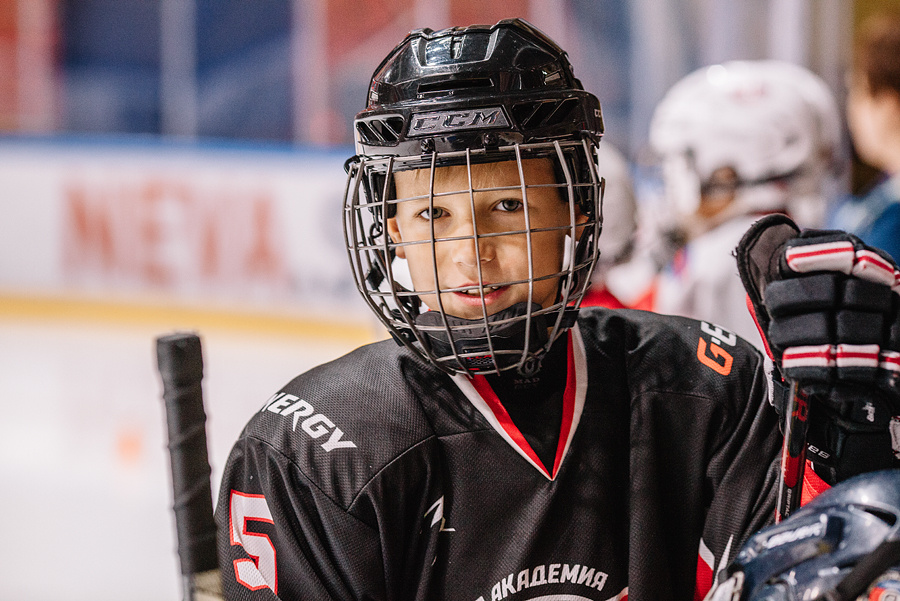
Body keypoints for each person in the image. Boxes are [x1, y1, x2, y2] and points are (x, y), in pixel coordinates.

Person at [214, 19, 900, 601]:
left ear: (577, 209)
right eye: (432, 213)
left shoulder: (703, 388)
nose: (469, 252)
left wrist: (851, 455)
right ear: (390, 230)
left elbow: (814, 569)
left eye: (507, 206)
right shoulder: (312, 455)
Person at [642, 59, 843, 350]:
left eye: (680, 164)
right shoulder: (796, 243)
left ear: (727, 172)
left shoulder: (720, 261)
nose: (669, 183)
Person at [829, 11, 900, 263]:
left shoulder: (888, 223)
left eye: (857, 90)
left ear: (888, 104)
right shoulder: (878, 202)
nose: (851, 109)